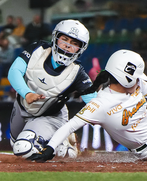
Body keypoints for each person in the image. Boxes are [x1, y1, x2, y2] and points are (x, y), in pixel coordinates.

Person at [7, 19, 96, 159]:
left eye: (74, 43)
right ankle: (62, 139)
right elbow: (14, 71)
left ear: (81, 49)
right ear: (55, 38)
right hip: (21, 106)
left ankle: (63, 143)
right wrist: (27, 93)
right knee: (15, 144)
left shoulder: (78, 73)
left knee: (24, 147)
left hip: (50, 117)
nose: (67, 46)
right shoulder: (37, 49)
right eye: (64, 40)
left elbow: (96, 104)